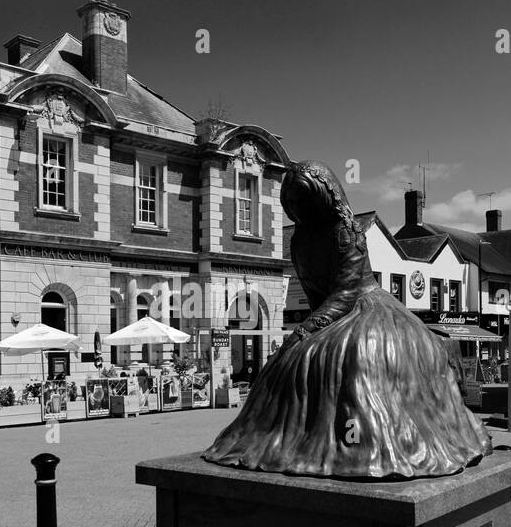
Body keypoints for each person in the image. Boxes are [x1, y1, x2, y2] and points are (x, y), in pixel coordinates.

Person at [203, 160, 492, 479]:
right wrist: (309, 330)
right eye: (293, 205)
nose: (298, 211)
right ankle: (283, 440)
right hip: (330, 310)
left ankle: (361, 444)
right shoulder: (300, 241)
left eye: (303, 203)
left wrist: (308, 328)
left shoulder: (346, 231)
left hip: (365, 305)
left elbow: (344, 292)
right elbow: (316, 296)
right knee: (287, 363)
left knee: (351, 356)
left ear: (322, 199)